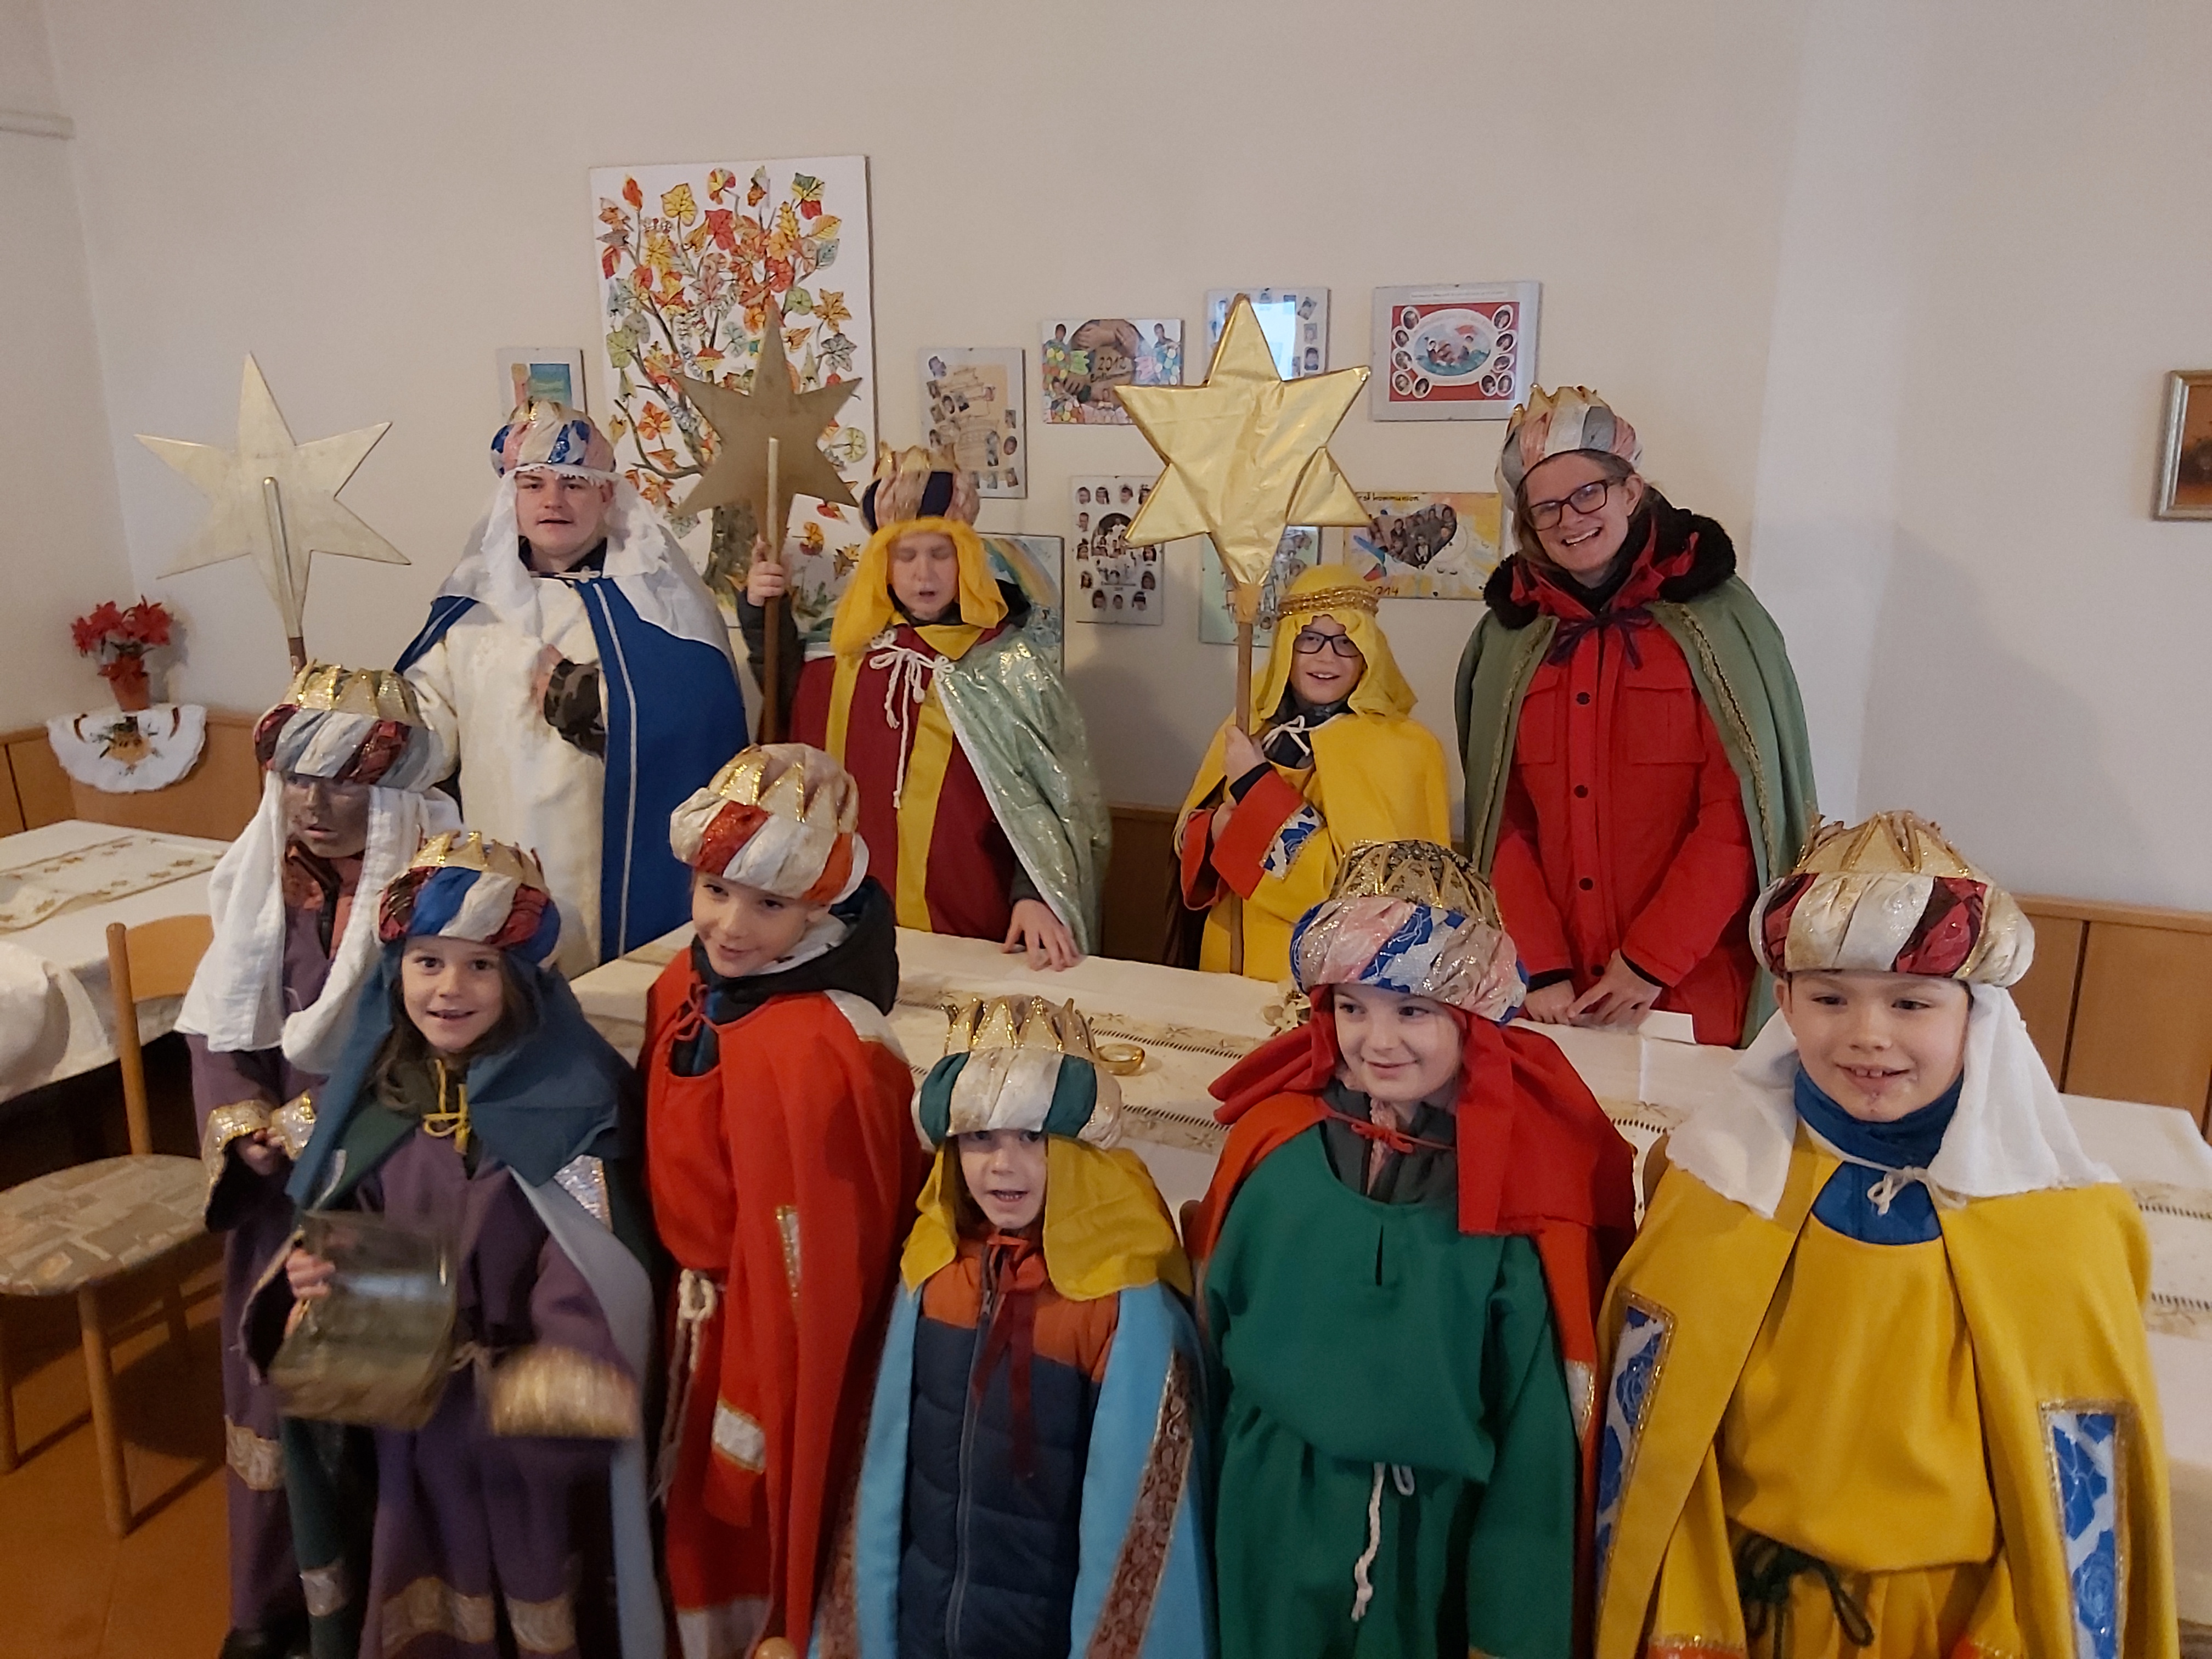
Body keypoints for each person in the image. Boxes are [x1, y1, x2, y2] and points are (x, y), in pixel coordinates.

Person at [1591, 812, 2177, 1658]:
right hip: (1744, 1610)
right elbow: (1654, 1456)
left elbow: (2078, 1502)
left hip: (1943, 1623)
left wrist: (2001, 1638)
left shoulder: (2062, 1230)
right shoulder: (1713, 1186)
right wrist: (1692, 1615)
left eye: (1911, 1003)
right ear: (1784, 1004)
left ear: (1977, 1014)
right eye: (1830, 998)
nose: (1869, 1034)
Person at [1186, 841, 1637, 1659]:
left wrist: (1512, 1620)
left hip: (1428, 1536)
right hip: (1268, 1512)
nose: (1377, 1040)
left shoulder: (1518, 1201)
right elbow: (1211, 1343)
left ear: (1472, 1019)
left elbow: (1535, 1438)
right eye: (1352, 1007)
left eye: (1412, 1011)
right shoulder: (1273, 1152)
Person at [246, 831, 659, 1659]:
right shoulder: (377, 1097)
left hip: (514, 1436)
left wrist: (552, 1380)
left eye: (480, 966)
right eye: (427, 962)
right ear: (394, 973)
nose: (449, 988)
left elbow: (592, 1267)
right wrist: (314, 1282)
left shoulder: (573, 1103)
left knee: (533, 1594)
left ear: (523, 976)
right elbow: (342, 1223)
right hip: (408, 1430)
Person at [178, 661, 456, 1659]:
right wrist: (240, 1122)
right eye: (296, 778)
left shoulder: (439, 893)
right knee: (274, 1401)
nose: (313, 804)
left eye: (343, 781)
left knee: (371, 1409)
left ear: (391, 790)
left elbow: (435, 1047)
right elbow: (217, 1018)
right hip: (272, 1206)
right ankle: (276, 1607)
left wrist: (301, 1128)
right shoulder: (264, 877)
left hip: (383, 1188)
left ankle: (370, 1620)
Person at [818, 995, 1212, 1659]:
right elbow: (884, 1472)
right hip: (927, 1624)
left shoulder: (1119, 1302)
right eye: (980, 1138)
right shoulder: (933, 1270)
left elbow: (1136, 1528)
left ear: (1078, 1149)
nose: (1004, 1165)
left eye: (1032, 1138)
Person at [643, 744, 927, 1659]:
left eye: (769, 904)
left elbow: (829, 1260)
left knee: (755, 1525)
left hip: (766, 1332)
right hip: (689, 1312)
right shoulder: (679, 983)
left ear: (819, 909)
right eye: (715, 890)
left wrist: (759, 1388)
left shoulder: (831, 1050)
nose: (730, 925)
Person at [1455, 386, 1816, 1045]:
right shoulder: (1509, 644)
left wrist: (1652, 960)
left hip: (1692, 992)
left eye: (1587, 494)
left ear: (1630, 491)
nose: (1570, 520)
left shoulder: (1719, 626)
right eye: (1545, 508)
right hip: (1551, 998)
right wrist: (1541, 965)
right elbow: (1500, 819)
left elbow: (1740, 816)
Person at [399, 399, 748, 975]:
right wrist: (362, 738)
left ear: (607, 495)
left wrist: (597, 705)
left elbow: (704, 721)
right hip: (500, 842)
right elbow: (426, 728)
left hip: (610, 860)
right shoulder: (471, 607)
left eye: (574, 484)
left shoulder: (659, 600)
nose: (553, 501)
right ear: (510, 497)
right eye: (532, 484)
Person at [741, 443, 1108, 970]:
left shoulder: (1007, 665)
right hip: (845, 920)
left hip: (975, 921)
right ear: (881, 564)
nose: (924, 575)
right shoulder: (840, 655)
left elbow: (1051, 801)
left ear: (967, 559)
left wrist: (1035, 894)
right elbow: (788, 717)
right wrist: (762, 613)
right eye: (905, 556)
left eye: (941, 554)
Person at [1175, 568, 1451, 982]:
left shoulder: (1403, 746)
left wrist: (1254, 785)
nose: (1327, 658)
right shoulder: (1249, 724)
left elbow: (1359, 889)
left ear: (1368, 651)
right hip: (1228, 953)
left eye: (1346, 642)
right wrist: (1214, 829)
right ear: (1287, 645)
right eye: (1310, 639)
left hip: (1323, 977)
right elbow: (1188, 838)